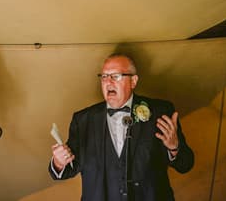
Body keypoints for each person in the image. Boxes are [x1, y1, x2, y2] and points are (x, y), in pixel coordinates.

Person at [49, 54, 194, 200]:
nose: (108, 82)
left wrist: (174, 148)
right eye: (104, 76)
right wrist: (59, 163)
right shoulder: (83, 120)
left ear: (133, 81)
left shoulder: (160, 111)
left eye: (116, 76)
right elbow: (68, 169)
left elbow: (185, 164)